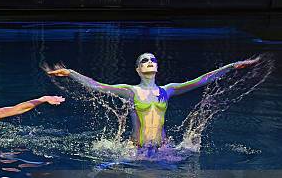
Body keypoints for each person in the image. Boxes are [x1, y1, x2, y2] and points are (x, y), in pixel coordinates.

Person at [46, 53, 260, 148]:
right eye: (144, 61)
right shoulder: (130, 91)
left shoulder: (168, 90)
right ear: (138, 69)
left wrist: (232, 66)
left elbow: (201, 80)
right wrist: (71, 72)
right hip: (135, 150)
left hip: (162, 149)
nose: (149, 62)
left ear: (157, 67)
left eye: (153, 60)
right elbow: (97, 85)